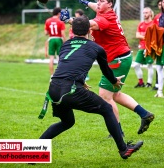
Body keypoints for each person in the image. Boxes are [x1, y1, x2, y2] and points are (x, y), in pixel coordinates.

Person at [39, 15, 143, 159]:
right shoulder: (96, 47)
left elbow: (70, 64)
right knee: (107, 109)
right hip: (71, 89)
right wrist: (114, 81)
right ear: (89, 29)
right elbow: (106, 70)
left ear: (72, 29)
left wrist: (80, 80)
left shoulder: (66, 45)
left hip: (54, 88)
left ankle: (34, 151)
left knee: (67, 122)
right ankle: (123, 149)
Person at [61, 0, 155, 137]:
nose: (98, 3)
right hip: (120, 57)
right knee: (116, 94)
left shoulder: (105, 19)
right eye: (97, 0)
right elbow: (96, 6)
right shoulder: (103, 10)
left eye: (102, 1)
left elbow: (86, 25)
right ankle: (144, 114)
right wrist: (87, 3)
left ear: (110, 4)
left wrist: (69, 19)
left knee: (105, 96)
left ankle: (117, 132)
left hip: (117, 59)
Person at [133, 7, 155, 88]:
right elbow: (137, 35)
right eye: (144, 13)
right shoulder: (141, 24)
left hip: (150, 48)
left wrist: (143, 37)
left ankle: (149, 83)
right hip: (142, 47)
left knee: (149, 65)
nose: (145, 14)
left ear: (150, 13)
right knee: (136, 65)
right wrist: (146, 37)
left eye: (146, 12)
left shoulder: (153, 24)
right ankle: (141, 82)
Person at [44, 7, 66, 81]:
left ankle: (52, 76)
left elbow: (45, 33)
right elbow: (62, 33)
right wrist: (66, 41)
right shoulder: (60, 21)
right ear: (59, 13)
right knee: (60, 58)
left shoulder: (48, 21)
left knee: (51, 58)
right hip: (59, 39)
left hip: (51, 39)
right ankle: (60, 75)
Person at [68, 9, 90, 81]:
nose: (76, 18)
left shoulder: (84, 24)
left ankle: (85, 75)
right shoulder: (75, 23)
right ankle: (77, 74)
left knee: (84, 59)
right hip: (75, 42)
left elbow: (87, 34)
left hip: (83, 43)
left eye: (77, 16)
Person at [152, 0, 162, 90]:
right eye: (159, 4)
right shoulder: (157, 17)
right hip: (158, 44)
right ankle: (157, 84)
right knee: (158, 64)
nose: (161, 6)